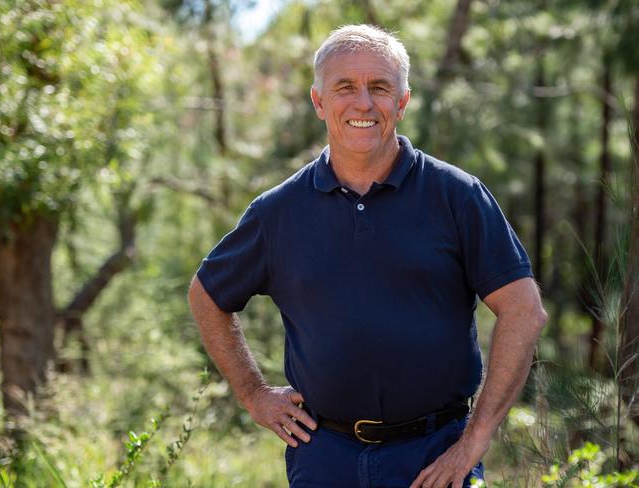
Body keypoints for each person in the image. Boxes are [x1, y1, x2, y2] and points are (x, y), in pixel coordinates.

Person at [188, 24, 548, 488]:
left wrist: (473, 442)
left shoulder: (456, 196)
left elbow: (524, 310)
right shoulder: (279, 212)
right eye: (345, 88)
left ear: (402, 102)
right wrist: (254, 393)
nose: (363, 103)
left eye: (379, 87)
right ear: (319, 102)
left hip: (435, 458)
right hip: (323, 459)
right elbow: (207, 294)